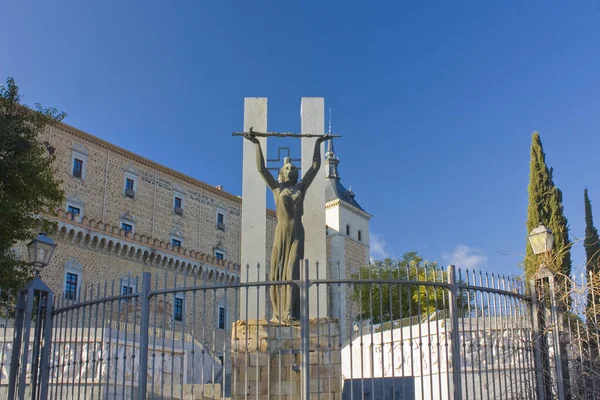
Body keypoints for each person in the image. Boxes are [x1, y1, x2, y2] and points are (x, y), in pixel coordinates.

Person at [243, 131, 331, 321]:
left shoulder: (301, 188)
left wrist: (318, 143)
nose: (291, 169)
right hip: (280, 234)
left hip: (297, 233)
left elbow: (315, 167)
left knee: (292, 269)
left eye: (293, 168)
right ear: (282, 173)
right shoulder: (277, 189)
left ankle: (291, 312)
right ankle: (278, 312)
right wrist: (257, 143)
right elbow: (261, 169)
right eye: (287, 168)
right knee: (276, 273)